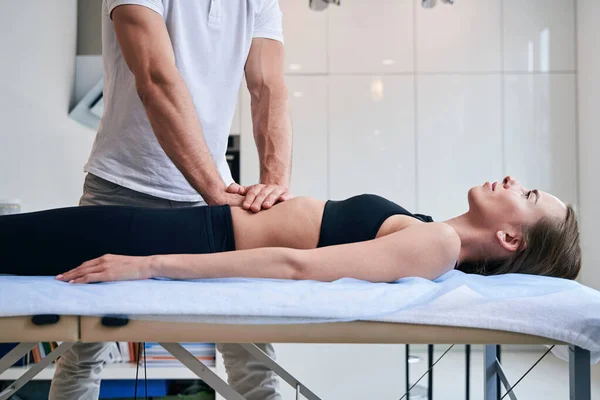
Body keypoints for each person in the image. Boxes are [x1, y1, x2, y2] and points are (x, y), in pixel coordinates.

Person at [47, 1, 293, 399]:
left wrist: (275, 188)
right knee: (85, 348)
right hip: (121, 191)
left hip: (212, 196)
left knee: (250, 349)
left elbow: (268, 87)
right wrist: (213, 190)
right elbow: (155, 78)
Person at [0, 176, 581, 284]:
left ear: (511, 240)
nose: (512, 180)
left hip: (182, 240)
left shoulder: (438, 246)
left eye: (526, 195)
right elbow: (311, 234)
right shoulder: (432, 233)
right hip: (199, 225)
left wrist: (145, 265)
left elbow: (296, 263)